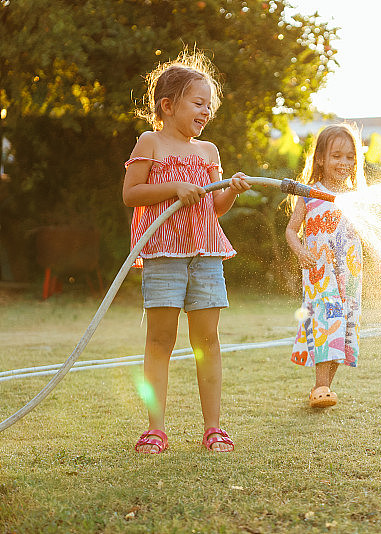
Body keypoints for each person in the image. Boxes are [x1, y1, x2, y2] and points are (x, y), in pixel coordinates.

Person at [122, 51, 250, 453]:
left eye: (208, 105)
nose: (206, 111)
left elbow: (213, 207)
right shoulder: (151, 142)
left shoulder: (208, 152)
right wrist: (174, 188)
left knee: (207, 341)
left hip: (206, 255)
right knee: (160, 340)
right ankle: (155, 429)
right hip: (164, 254)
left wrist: (230, 189)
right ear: (168, 105)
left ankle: (213, 428)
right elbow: (131, 194)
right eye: (198, 102)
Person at [285, 124, 365, 408]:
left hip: (350, 275)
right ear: (320, 158)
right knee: (325, 322)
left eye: (350, 157)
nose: (344, 163)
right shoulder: (309, 193)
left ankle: (323, 389)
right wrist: (300, 251)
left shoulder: (356, 196)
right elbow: (291, 231)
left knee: (344, 327)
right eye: (336, 156)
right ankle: (320, 386)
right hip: (320, 273)